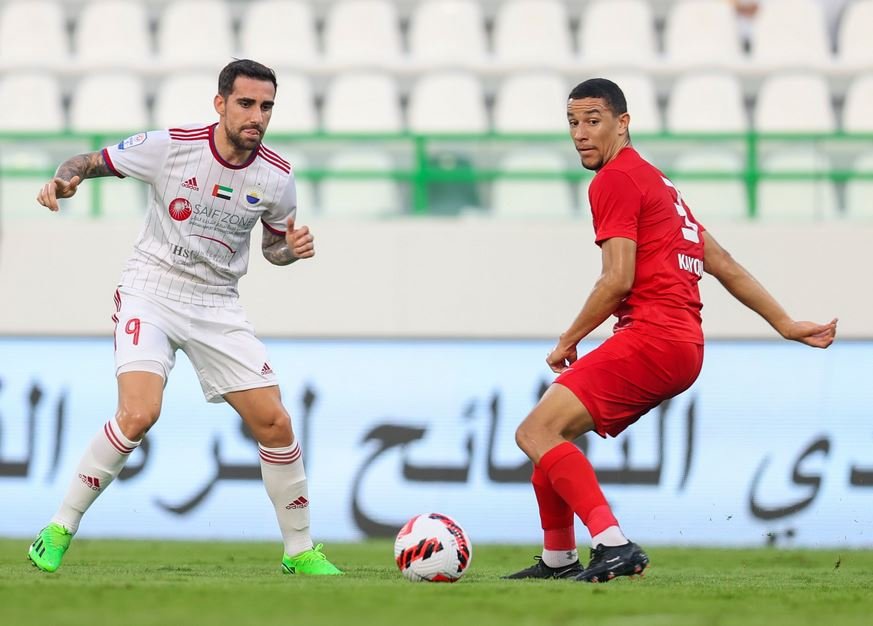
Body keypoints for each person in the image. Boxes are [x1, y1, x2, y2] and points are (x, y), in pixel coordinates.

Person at [505, 78, 837, 583]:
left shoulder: (614, 180)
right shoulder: (658, 183)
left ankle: (613, 544)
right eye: (572, 122)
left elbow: (617, 280)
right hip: (682, 344)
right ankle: (558, 559)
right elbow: (721, 261)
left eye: (593, 120)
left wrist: (569, 339)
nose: (580, 133)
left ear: (623, 123)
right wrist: (785, 323)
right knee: (552, 435)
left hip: (652, 337)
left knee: (535, 432)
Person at [28, 59, 342, 576]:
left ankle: (300, 550)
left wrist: (293, 249)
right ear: (220, 104)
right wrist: (64, 182)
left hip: (218, 302)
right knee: (138, 414)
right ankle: (59, 527)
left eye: (266, 107)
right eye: (246, 104)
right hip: (151, 290)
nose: (257, 117)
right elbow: (86, 160)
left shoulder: (278, 176)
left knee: (276, 422)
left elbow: (273, 249)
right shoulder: (171, 146)